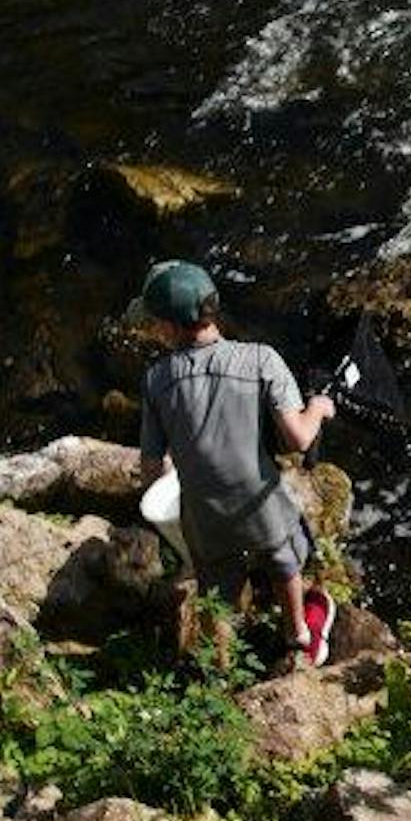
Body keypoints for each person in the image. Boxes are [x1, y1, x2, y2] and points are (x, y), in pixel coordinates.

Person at [134, 258, 338, 667]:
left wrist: (176, 469)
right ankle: (299, 636)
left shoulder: (157, 379)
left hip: (205, 516)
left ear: (169, 328)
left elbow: (152, 468)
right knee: (283, 559)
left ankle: (220, 665)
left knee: (215, 585)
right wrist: (317, 408)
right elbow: (298, 438)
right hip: (258, 503)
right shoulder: (261, 359)